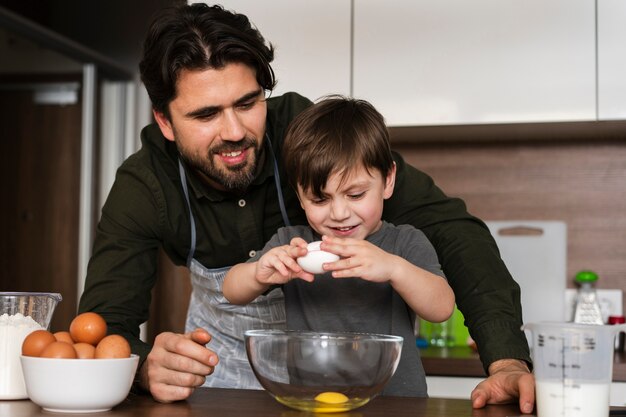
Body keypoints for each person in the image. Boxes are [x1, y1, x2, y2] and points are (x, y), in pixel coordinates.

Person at [78, 2, 534, 412]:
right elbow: (102, 321)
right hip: (218, 382)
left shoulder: (310, 135)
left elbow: (449, 228)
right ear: (165, 121)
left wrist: (506, 360)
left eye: (247, 102)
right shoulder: (145, 185)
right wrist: (142, 367)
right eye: (206, 115)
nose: (235, 131)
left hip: (328, 386)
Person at [222, 96, 456, 397]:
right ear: (299, 195)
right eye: (320, 199)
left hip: (396, 402)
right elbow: (231, 290)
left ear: (387, 181)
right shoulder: (294, 244)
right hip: (310, 400)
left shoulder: (404, 242)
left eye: (355, 195)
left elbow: (442, 308)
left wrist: (394, 268)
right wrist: (257, 273)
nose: (339, 213)